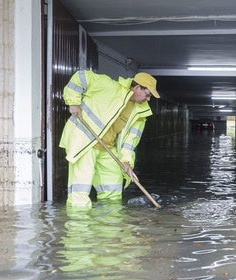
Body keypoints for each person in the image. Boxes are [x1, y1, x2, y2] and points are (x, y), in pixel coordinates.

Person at [59, 70, 160, 207]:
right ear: (137, 87)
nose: (148, 99)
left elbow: (130, 141)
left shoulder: (140, 112)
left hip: (108, 147)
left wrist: (126, 161)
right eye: (147, 94)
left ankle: (109, 225)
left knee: (113, 191)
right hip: (84, 141)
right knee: (80, 191)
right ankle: (78, 225)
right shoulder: (108, 86)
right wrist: (73, 102)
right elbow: (80, 76)